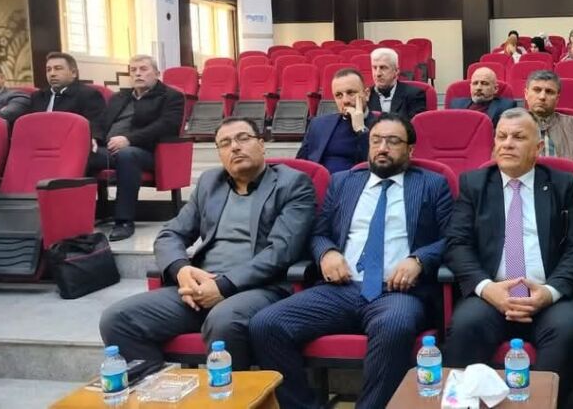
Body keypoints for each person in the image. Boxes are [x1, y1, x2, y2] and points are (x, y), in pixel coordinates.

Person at [251, 113, 454, 409]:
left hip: (397, 292)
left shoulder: (433, 184)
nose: (383, 148)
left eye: (393, 141)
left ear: (410, 150)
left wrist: (419, 259)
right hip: (341, 289)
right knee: (266, 324)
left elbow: (452, 238)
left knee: (394, 325)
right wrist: (327, 253)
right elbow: (318, 233)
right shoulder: (343, 182)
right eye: (376, 140)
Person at [99, 117, 316, 371]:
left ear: (261, 144)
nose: (235, 147)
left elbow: (281, 252)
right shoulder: (209, 183)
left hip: (259, 288)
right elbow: (170, 234)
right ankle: (156, 387)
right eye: (225, 143)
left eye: (243, 138)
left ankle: (232, 393)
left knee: (222, 320)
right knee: (117, 320)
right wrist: (181, 270)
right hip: (201, 287)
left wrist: (222, 286)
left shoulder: (293, 184)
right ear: (219, 154)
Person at [443, 107, 573, 406]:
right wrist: (488, 289)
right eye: (502, 137)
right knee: (466, 324)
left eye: (518, 137)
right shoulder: (474, 184)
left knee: (568, 328)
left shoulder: (564, 184)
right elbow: (457, 244)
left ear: (538, 147)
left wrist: (548, 293)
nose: (507, 144)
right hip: (491, 294)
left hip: (549, 295)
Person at [87, 55, 185, 241]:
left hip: (148, 152)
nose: (138, 73)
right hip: (109, 149)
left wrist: (129, 139)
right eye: (133, 70)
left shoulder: (171, 96)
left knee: (127, 155)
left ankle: (124, 221)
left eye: (143, 69)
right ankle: (79, 218)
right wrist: (94, 138)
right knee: (79, 154)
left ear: (157, 73)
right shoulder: (119, 97)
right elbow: (100, 122)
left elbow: (166, 126)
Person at [296, 68, 379, 174]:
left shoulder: (383, 125)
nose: (345, 101)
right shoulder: (318, 124)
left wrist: (361, 129)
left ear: (366, 94)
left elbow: (379, 166)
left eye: (351, 93)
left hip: (357, 182)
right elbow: (299, 165)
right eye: (339, 95)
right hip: (320, 182)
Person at [524, 70, 573, 183]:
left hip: (565, 188)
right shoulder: (510, 125)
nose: (542, 96)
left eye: (549, 92)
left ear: (557, 98)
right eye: (537, 90)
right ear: (526, 94)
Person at [28, 52, 105, 136]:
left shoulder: (88, 95)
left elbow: (95, 127)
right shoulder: (37, 96)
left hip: (70, 140)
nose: (52, 74)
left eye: (58, 68)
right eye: (48, 70)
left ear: (73, 73)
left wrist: (94, 138)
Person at [367, 47, 426, 121]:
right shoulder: (366, 96)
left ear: (396, 71)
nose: (377, 74)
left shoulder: (414, 95)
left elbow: (416, 126)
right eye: (374, 68)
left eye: (383, 68)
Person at [448, 67, 517, 126]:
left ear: (495, 89)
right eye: (475, 83)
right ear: (470, 87)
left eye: (484, 83)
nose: (478, 88)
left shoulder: (506, 106)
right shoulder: (456, 104)